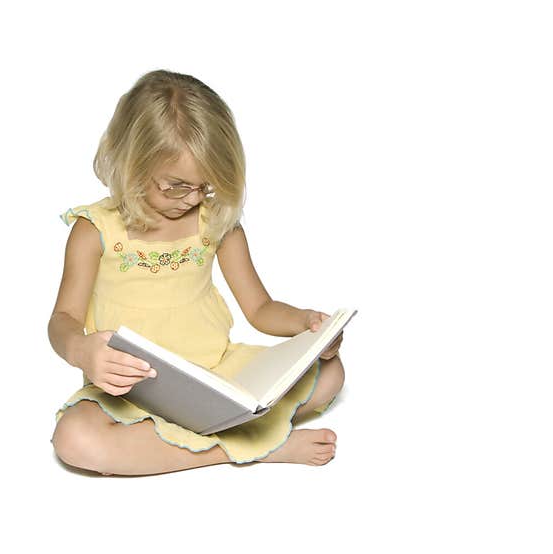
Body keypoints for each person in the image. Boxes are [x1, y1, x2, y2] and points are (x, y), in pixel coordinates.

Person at [48, 69, 346, 476]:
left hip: (217, 376)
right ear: (132, 161)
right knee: (75, 438)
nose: (191, 199)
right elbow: (62, 321)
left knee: (331, 373)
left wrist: (309, 327)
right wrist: (82, 351)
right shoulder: (94, 231)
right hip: (133, 391)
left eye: (203, 187)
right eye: (176, 186)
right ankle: (251, 447)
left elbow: (260, 307)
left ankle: (202, 436)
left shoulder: (215, 222)